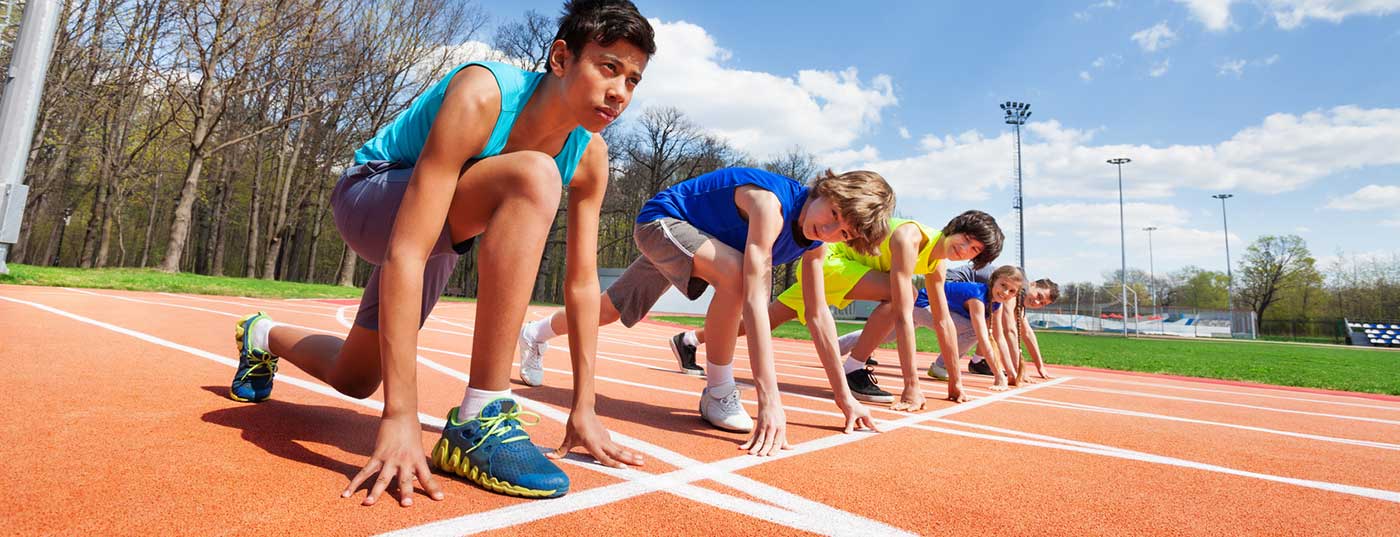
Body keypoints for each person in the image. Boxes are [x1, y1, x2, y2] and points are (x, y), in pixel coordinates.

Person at [228, 0, 655, 504]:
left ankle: (260, 335)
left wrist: (584, 406)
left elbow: (582, 284)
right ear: (561, 59)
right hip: (373, 196)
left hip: (443, 233)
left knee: (356, 376)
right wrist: (400, 415)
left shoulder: (590, 156)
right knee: (535, 172)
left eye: (632, 80)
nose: (620, 91)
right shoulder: (483, 93)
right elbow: (407, 250)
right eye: (608, 67)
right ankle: (482, 414)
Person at [518, 167, 895, 455]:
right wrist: (769, 400)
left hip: (702, 241)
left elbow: (818, 315)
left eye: (843, 233)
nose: (827, 230)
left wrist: (845, 397)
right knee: (737, 275)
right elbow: (755, 299)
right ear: (826, 189)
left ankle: (535, 333)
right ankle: (718, 390)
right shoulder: (770, 205)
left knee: (608, 310)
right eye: (833, 214)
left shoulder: (814, 244)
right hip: (663, 222)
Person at [673, 211, 1003, 410]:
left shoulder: (937, 264)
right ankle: (854, 368)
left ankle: (689, 340)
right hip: (830, 259)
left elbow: (944, 321)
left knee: (768, 319)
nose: (964, 249)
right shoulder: (910, 238)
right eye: (966, 239)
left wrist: (955, 382)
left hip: (843, 268)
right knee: (902, 295)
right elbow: (904, 314)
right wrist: (911, 385)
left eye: (974, 250)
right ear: (954, 227)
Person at [845, 265, 1060, 382]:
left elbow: (1008, 336)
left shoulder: (1001, 299)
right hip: (927, 300)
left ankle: (838, 345)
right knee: (976, 329)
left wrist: (1017, 371)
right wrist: (1002, 375)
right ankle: (943, 366)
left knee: (884, 335)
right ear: (1031, 285)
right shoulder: (990, 294)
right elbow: (1002, 333)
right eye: (1039, 296)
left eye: (1042, 303)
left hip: (935, 302)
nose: (1038, 302)